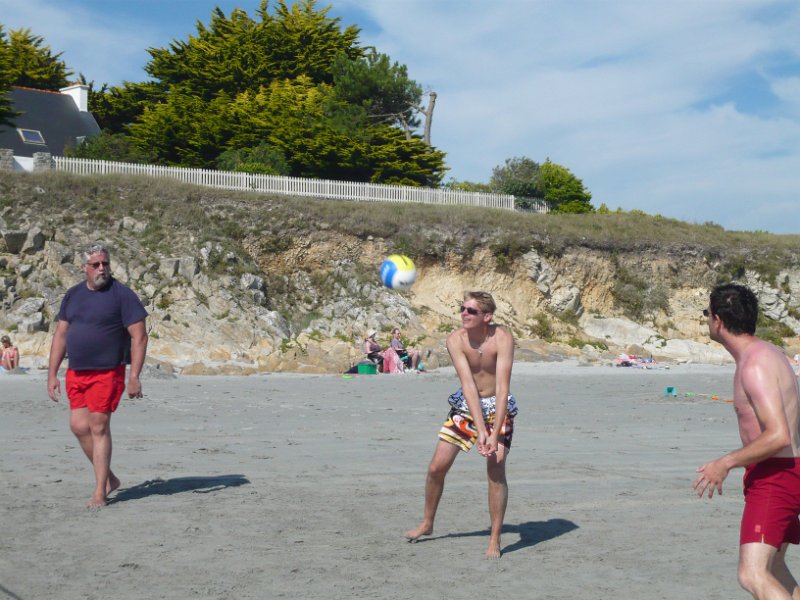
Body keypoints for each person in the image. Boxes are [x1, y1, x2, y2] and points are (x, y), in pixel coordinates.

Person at [694, 283, 800, 599]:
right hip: (784, 470)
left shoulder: (755, 365)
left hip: (777, 475)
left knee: (752, 573)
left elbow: (778, 434)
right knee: (774, 568)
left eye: (707, 313)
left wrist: (725, 462)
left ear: (717, 320)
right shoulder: (767, 354)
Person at [405, 291, 516, 559]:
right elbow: (468, 385)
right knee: (436, 467)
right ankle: (428, 522)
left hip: (499, 407)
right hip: (467, 407)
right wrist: (480, 430)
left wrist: (492, 433)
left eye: (471, 311)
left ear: (487, 316)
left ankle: (495, 537)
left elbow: (503, 388)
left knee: (495, 467)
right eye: (462, 309)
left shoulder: (502, 338)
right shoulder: (455, 340)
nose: (464, 314)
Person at [47, 243, 148, 508]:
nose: (102, 268)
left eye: (105, 263)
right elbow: (61, 334)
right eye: (96, 265)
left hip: (108, 371)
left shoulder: (122, 295)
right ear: (85, 268)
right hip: (76, 371)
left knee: (99, 426)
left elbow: (139, 336)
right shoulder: (73, 295)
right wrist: (52, 374)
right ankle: (110, 478)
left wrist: (134, 376)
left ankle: (100, 491)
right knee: (79, 426)